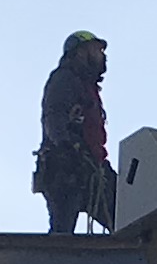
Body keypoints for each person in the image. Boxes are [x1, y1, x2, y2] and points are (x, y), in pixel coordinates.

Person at [32, 31, 113, 235]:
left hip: (92, 167)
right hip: (66, 167)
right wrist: (67, 146)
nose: (102, 55)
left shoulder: (88, 88)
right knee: (62, 232)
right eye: (97, 49)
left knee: (126, 215)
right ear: (80, 52)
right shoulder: (64, 78)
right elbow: (54, 116)